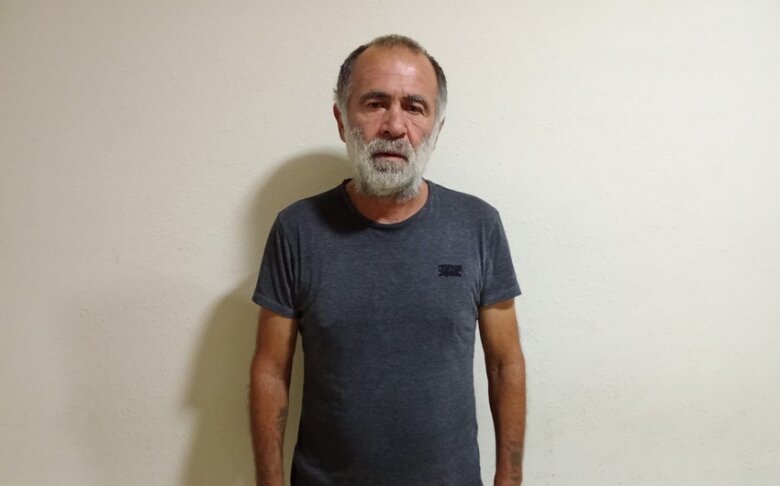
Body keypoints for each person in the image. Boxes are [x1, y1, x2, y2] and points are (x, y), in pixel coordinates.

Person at [250, 34, 526, 486]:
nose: (395, 126)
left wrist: (509, 479)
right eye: (375, 103)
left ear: (437, 128)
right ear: (342, 120)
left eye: (414, 107)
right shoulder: (296, 230)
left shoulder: (478, 225)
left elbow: (505, 363)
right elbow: (270, 372)